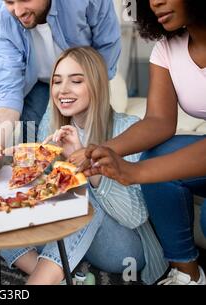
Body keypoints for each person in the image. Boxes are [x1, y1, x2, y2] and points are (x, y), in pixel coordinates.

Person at [0, 47, 168, 285]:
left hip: (124, 248)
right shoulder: (52, 122)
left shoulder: (129, 129)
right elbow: (47, 194)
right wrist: (26, 171)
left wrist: (88, 168)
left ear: (96, 85)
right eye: (57, 82)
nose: (63, 90)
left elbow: (135, 217)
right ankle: (63, 278)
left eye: (76, 81)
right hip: (73, 238)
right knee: (2, 216)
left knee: (81, 202)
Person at [77, 0, 206, 285]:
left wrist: (133, 172)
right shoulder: (167, 49)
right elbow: (159, 121)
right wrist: (105, 149)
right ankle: (187, 274)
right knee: (156, 156)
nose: (154, 2)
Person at [0, 0, 121, 148]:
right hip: (36, 82)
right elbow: (9, 87)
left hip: (85, 77)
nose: (18, 12)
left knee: (95, 132)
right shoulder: (2, 18)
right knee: (32, 142)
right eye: (10, 2)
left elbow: (107, 46)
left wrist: (91, 89)